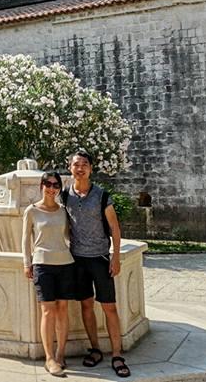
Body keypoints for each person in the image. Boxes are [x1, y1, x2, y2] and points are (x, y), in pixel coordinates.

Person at [63, 150, 129, 378]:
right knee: (86, 306)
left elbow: (115, 228)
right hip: (77, 260)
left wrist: (116, 256)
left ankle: (117, 354)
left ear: (91, 169)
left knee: (109, 307)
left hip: (100, 259)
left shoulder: (101, 195)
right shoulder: (64, 195)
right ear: (70, 168)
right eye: (76, 164)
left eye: (84, 164)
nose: (80, 168)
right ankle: (95, 349)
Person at [22, 171, 75, 377]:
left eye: (56, 185)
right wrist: (27, 263)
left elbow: (70, 237)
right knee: (47, 311)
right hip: (43, 265)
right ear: (41, 186)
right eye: (48, 184)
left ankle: (61, 354)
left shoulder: (64, 211)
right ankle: (49, 357)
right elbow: (25, 240)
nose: (52, 188)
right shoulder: (32, 211)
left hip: (65, 263)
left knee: (63, 309)